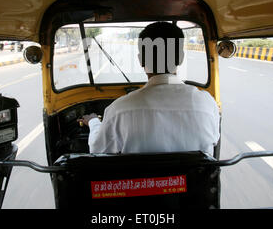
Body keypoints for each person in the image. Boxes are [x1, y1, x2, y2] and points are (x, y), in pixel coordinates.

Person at [78, 22, 220, 155]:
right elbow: (213, 142)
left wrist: (93, 121)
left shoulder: (118, 110)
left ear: (141, 60)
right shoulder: (208, 105)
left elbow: (97, 150)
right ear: (181, 58)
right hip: (196, 182)